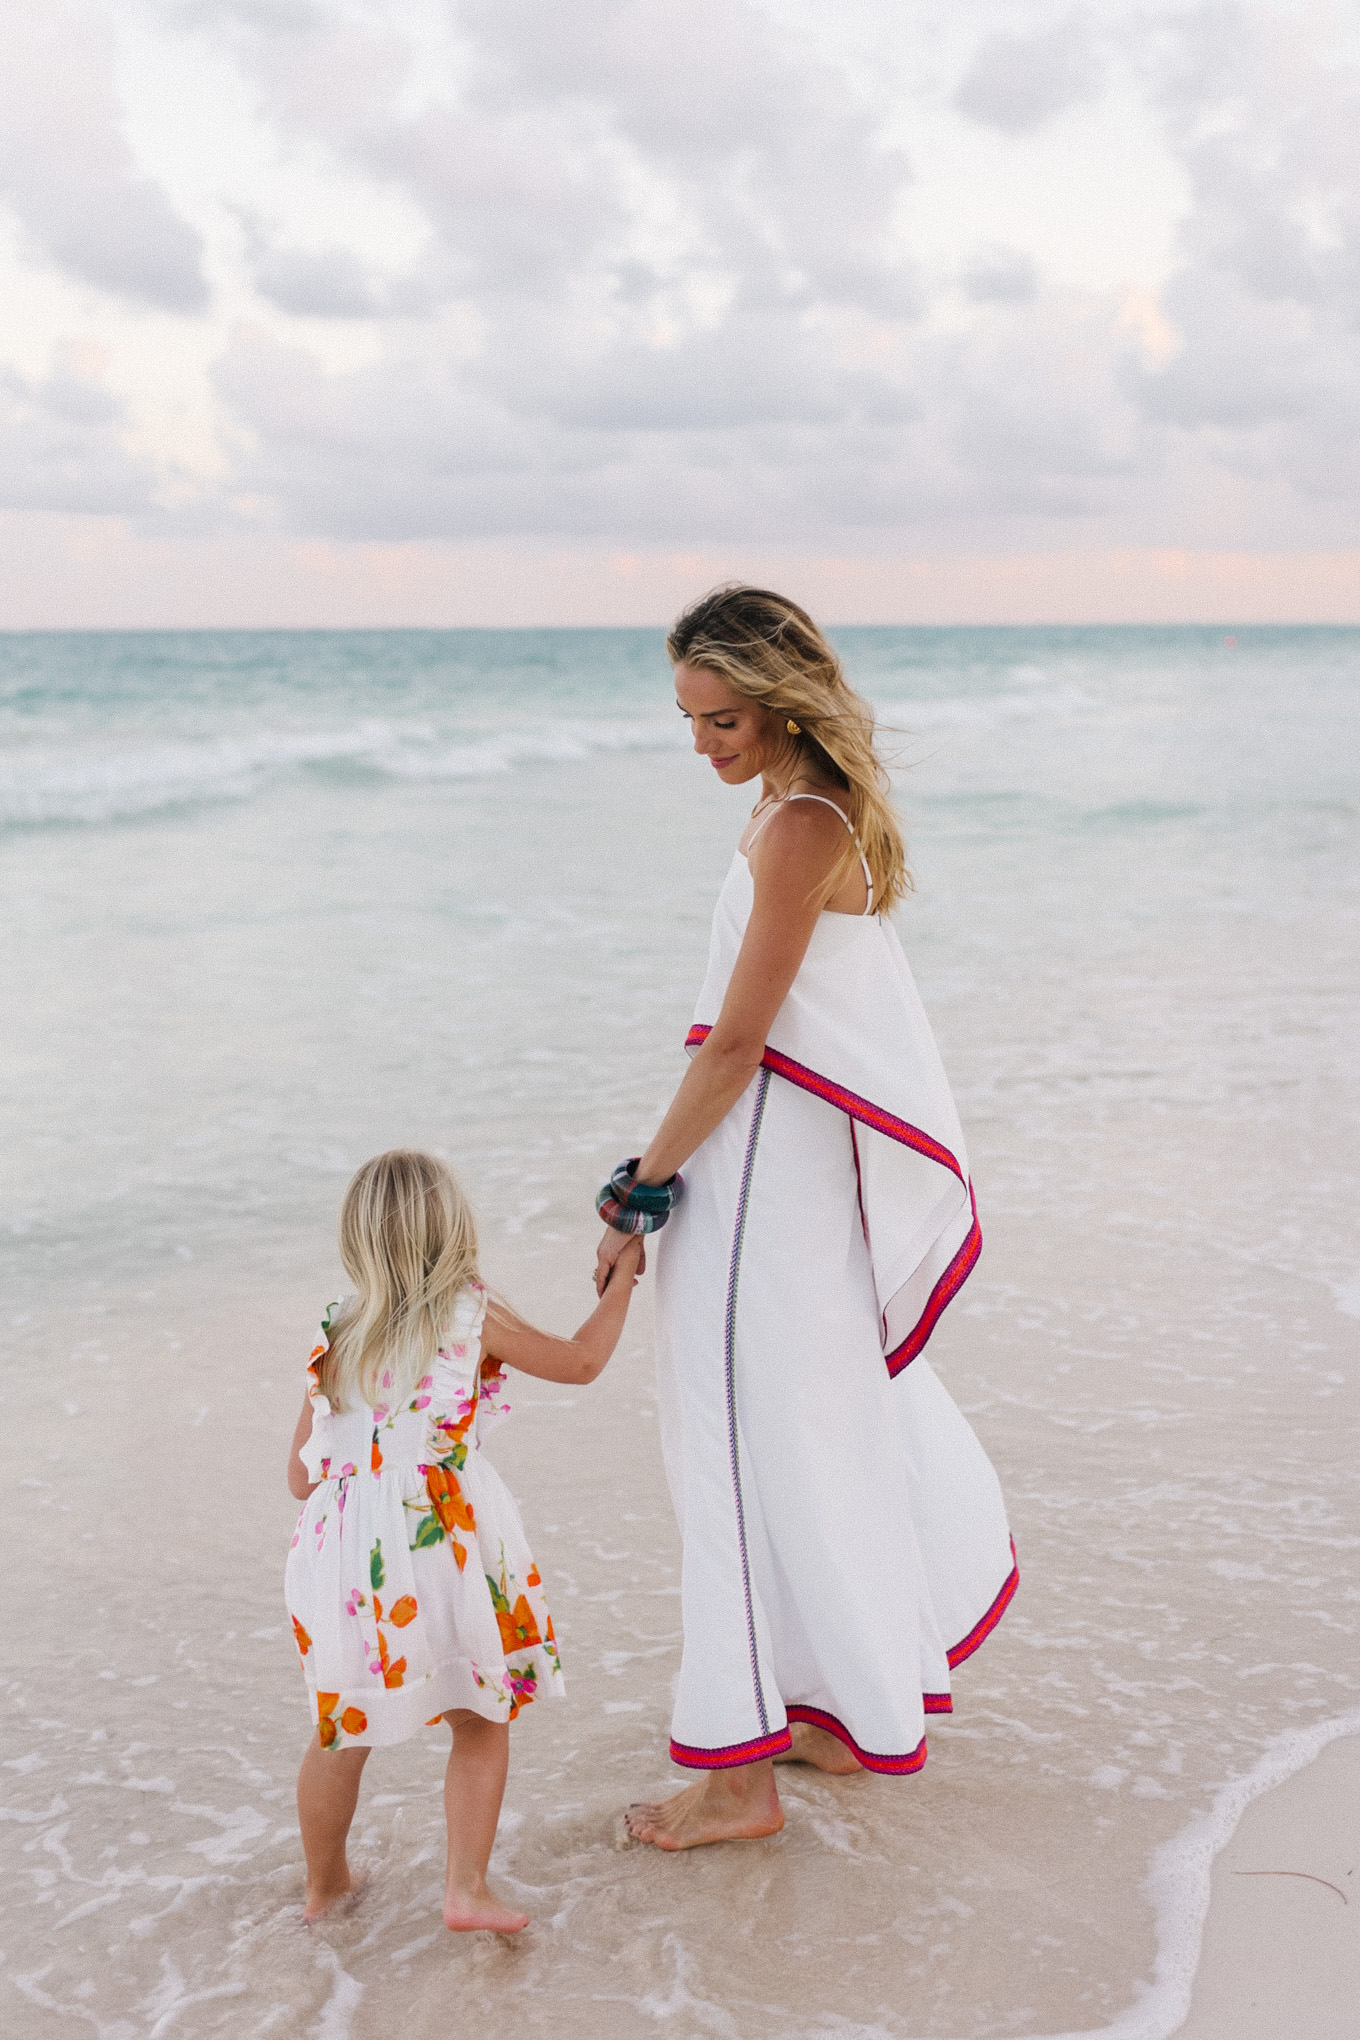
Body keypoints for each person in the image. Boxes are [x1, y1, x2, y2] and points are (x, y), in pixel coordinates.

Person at [595, 586, 1018, 1851]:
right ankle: (839, 1707)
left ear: (780, 701)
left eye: (720, 716)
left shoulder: (798, 831)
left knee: (730, 1451)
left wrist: (640, 1187)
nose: (701, 743)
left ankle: (740, 1781)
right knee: (808, 1434)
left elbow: (737, 1047)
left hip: (757, 1183)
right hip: (784, 1174)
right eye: (687, 716)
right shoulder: (815, 814)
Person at [286, 1148, 643, 1929]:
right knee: (479, 1721)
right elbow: (581, 1362)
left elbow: (300, 1476)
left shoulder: (334, 1331)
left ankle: (325, 1888)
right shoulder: (469, 1312)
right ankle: (465, 1891)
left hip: (347, 1557)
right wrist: (625, 1279)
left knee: (342, 1725)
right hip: (441, 1538)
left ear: (357, 1239)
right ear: (453, 1229)